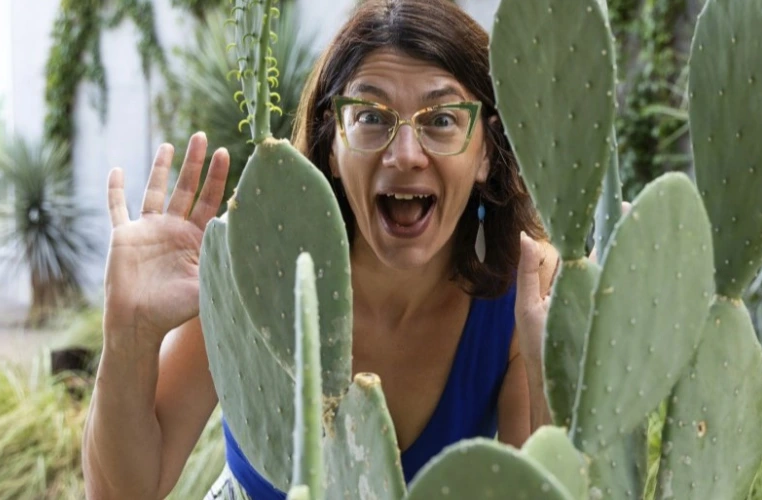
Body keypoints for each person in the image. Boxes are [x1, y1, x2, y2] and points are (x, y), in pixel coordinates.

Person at [80, 0, 568, 498]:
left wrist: (557, 373)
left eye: (441, 120)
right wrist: (129, 338)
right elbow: (120, 493)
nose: (405, 154)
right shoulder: (256, 254)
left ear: (485, 151)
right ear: (331, 145)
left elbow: (539, 486)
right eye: (371, 117)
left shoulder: (527, 288)